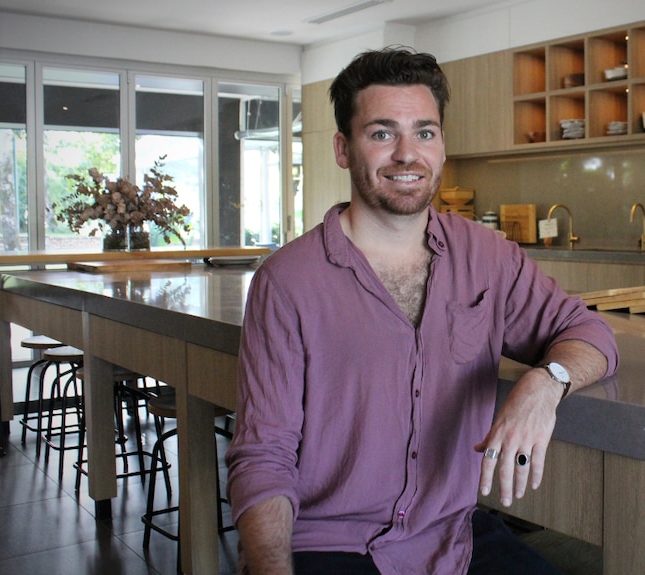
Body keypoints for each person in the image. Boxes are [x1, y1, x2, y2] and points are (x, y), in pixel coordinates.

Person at [225, 46, 619, 575]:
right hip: (332, 543)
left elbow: (587, 330)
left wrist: (547, 382)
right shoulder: (287, 283)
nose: (408, 154)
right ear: (344, 149)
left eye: (425, 132)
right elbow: (263, 457)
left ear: (441, 146)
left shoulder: (487, 255)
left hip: (451, 533)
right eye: (382, 133)